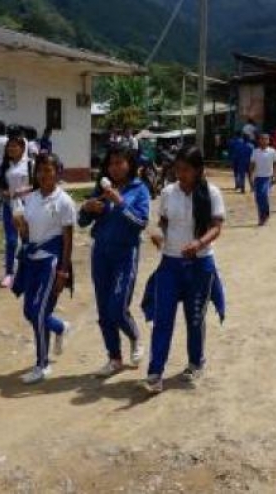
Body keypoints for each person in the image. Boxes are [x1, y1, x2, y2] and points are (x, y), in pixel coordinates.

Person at [144, 147, 227, 394]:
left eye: (186, 170)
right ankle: (155, 372)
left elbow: (217, 227)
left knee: (194, 318)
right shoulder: (169, 193)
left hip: (200, 265)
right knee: (163, 319)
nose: (180, 174)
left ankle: (195, 361)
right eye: (177, 169)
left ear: (198, 170)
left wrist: (199, 243)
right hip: (170, 264)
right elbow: (163, 221)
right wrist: (159, 234)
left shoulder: (211, 193)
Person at [79, 146, 150, 377]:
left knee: (117, 307)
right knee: (103, 309)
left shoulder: (139, 190)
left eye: (120, 162)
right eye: (111, 163)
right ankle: (114, 358)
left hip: (125, 253)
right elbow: (82, 222)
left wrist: (120, 202)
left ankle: (135, 336)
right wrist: (87, 208)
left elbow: (140, 223)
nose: (115, 167)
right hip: (101, 253)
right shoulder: (101, 187)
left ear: (130, 164)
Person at [11, 153, 77, 384]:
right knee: (29, 310)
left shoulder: (64, 202)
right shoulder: (31, 199)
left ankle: (42, 364)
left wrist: (64, 270)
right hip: (32, 260)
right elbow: (27, 234)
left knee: (39, 312)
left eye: (48, 170)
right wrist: (19, 225)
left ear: (57, 172)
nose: (44, 175)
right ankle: (59, 327)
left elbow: (68, 239)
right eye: (40, 170)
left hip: (51, 261)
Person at [0, 136, 32, 290]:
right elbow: (0, 184)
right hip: (9, 206)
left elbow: (37, 185)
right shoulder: (5, 164)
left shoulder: (30, 164)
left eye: (14, 146)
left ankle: (27, 272)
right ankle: (9, 273)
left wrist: (22, 191)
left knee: (26, 240)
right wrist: (4, 192)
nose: (11, 149)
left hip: (27, 205)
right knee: (11, 240)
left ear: (22, 148)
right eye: (9, 147)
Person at [250, 134, 276, 226]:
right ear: (259, 141)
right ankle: (261, 217)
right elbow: (252, 165)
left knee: (264, 195)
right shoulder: (255, 151)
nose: (263, 141)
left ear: (268, 141)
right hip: (258, 177)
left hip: (268, 177)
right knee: (258, 198)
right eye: (262, 139)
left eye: (266, 139)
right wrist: (251, 176)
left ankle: (265, 214)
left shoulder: (272, 151)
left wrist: (275, 175)